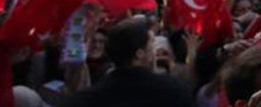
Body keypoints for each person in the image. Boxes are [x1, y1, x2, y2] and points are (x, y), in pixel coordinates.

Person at [61, 16, 194, 107]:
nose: (155, 52)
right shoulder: (175, 91)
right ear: (139, 54)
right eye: (151, 44)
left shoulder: (87, 99)